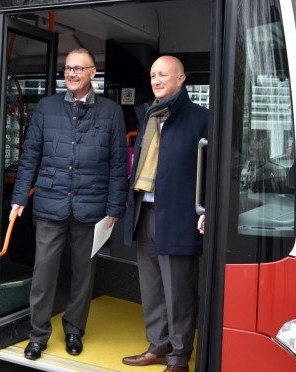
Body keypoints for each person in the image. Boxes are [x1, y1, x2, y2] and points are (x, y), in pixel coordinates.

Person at [9, 48, 127, 360]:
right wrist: (20, 197)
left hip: (92, 208)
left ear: (92, 74)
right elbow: (29, 156)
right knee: (44, 272)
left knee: (83, 275)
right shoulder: (47, 108)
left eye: (78, 68)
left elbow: (118, 164)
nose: (71, 73)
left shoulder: (111, 112)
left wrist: (116, 208)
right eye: (68, 69)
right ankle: (38, 334)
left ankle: (75, 330)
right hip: (50, 203)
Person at [121, 56, 208, 372]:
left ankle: (179, 357)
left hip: (179, 216)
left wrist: (207, 209)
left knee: (179, 290)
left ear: (181, 78)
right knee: (152, 287)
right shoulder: (148, 115)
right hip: (143, 210)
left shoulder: (200, 118)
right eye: (153, 75)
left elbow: (213, 170)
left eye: (163, 75)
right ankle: (157, 346)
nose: (156, 80)